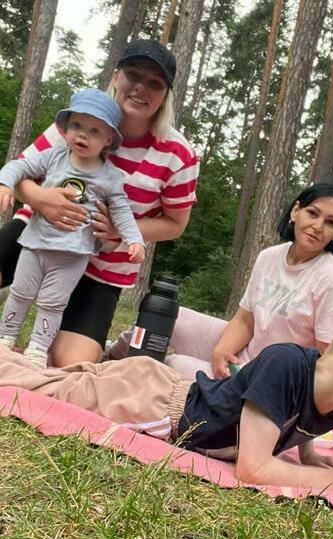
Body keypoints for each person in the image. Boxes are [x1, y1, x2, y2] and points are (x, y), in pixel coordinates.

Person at [0, 303, 333, 492]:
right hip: (154, 401)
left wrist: (310, 456)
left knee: (49, 379)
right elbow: (253, 468)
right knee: (37, 387)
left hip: (162, 391)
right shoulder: (285, 364)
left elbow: (302, 423)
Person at [0, 39, 198, 366]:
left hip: (104, 267)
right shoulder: (78, 120)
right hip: (36, 237)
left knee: (72, 364)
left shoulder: (179, 154)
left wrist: (122, 231)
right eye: (134, 75)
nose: (141, 88)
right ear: (116, 76)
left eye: (154, 83)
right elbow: (21, 170)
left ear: (165, 95)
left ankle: (76, 333)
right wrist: (40, 198)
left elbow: (175, 224)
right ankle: (17, 302)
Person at [106, 183, 333, 380]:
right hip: (245, 349)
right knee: (169, 316)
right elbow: (246, 319)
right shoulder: (270, 257)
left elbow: (325, 359)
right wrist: (222, 350)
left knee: (174, 364)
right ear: (296, 211)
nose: (317, 226)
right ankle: (109, 359)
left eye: (330, 223)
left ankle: (136, 380)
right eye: (313, 213)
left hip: (267, 378)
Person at [0, 89, 145, 367]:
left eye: (94, 131)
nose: (83, 135)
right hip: (35, 243)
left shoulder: (110, 177)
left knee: (52, 303)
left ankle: (37, 348)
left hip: (72, 255)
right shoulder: (54, 157)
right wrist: (5, 184)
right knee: (20, 293)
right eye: (76, 125)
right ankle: (5, 337)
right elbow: (18, 167)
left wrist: (134, 239)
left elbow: (122, 212)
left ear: (108, 139)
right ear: (66, 129)